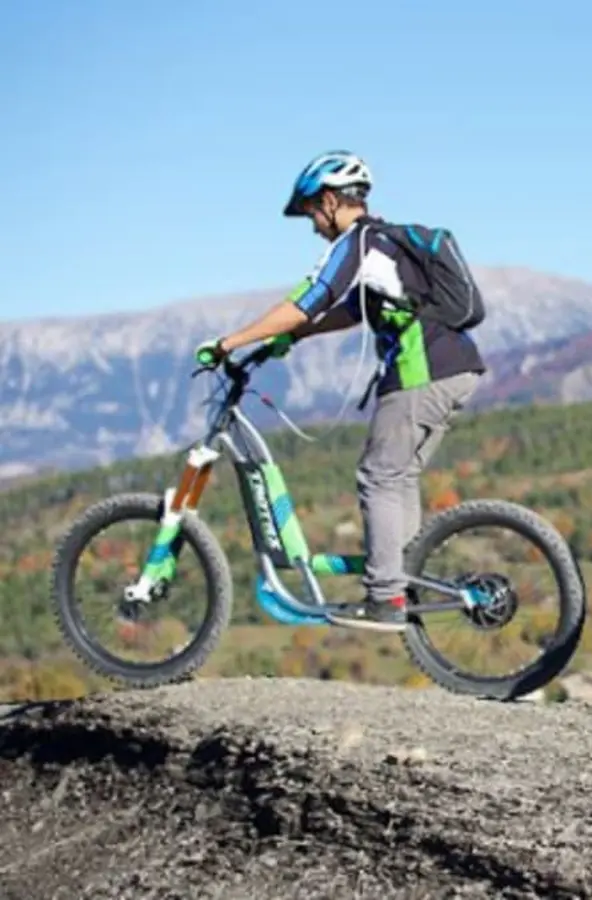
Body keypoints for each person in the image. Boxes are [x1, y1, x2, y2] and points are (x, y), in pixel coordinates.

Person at [194, 150, 487, 631]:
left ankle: (386, 597)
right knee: (398, 476)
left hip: (422, 371)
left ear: (330, 201)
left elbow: (308, 300)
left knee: (378, 476)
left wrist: (231, 342)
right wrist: (292, 337)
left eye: (311, 212)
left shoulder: (358, 243)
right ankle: (403, 583)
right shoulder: (384, 246)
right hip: (455, 368)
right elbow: (351, 310)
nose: (313, 226)